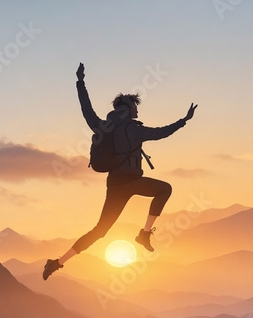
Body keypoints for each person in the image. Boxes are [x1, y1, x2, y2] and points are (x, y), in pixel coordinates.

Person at [43, 63, 197, 280]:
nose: (137, 110)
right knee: (165, 190)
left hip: (115, 185)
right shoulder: (134, 129)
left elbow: (85, 108)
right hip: (133, 181)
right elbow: (161, 133)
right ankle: (144, 234)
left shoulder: (102, 126)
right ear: (127, 109)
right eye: (135, 106)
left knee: (100, 231)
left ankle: (57, 262)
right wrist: (183, 121)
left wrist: (80, 82)